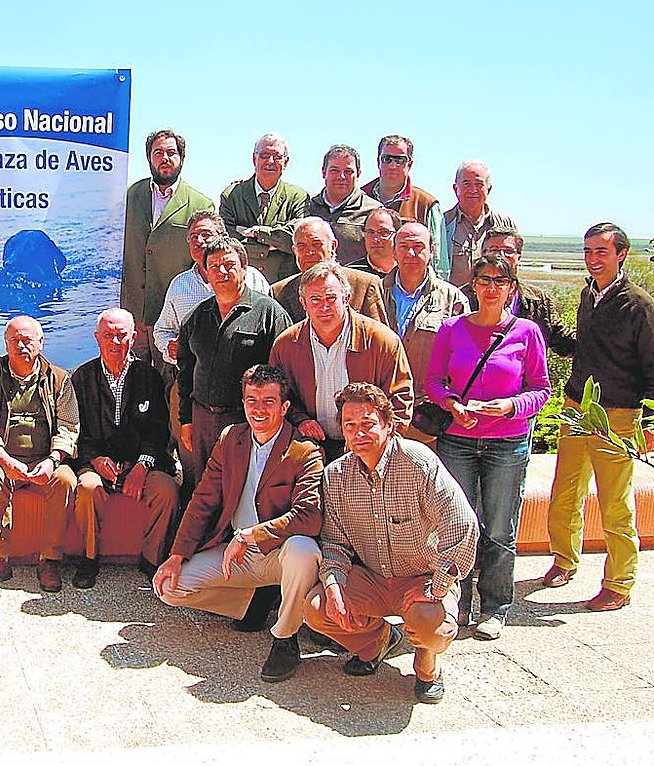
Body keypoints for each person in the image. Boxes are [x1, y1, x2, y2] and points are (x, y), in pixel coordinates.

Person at [304, 383, 478, 705]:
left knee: (431, 628)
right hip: (372, 577)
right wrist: (333, 587)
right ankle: (377, 643)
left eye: (368, 423)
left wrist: (435, 586)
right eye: (349, 425)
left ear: (389, 424)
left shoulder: (418, 462)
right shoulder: (336, 476)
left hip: (421, 576)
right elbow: (334, 543)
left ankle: (428, 668)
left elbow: (463, 525)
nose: (359, 433)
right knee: (317, 609)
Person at [154, 364, 323, 683]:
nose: (259, 409)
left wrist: (251, 535)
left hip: (279, 555)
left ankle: (286, 638)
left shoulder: (305, 451)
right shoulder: (231, 438)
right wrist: (176, 557)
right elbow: (203, 500)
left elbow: (309, 516)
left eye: (268, 401)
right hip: (238, 554)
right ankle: (252, 603)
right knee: (166, 587)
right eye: (252, 400)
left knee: (303, 551)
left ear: (285, 407)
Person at [425, 254, 550, 638]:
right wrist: (451, 404)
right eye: (484, 279)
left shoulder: (526, 332)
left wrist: (511, 406)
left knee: (499, 528)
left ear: (511, 287)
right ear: (473, 285)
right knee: (456, 525)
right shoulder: (451, 329)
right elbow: (433, 382)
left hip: (506, 442)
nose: (491, 287)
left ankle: (494, 606)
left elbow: (542, 389)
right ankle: (455, 603)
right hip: (458, 442)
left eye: (500, 280)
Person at [544, 223, 654, 611]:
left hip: (619, 414)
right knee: (565, 492)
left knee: (615, 503)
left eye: (601, 252)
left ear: (621, 254)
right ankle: (564, 559)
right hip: (577, 407)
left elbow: (652, 364)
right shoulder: (588, 296)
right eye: (588, 251)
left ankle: (620, 583)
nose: (592, 259)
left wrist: (649, 422)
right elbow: (587, 347)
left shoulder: (638, 304)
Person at [72, 309, 179, 588]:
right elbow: (74, 430)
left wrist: (141, 466)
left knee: (167, 491)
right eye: (108, 335)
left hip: (142, 463)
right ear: (97, 338)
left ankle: (151, 558)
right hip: (97, 463)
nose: (115, 342)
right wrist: (94, 459)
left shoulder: (149, 376)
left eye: (121, 336)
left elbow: (158, 429)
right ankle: (89, 558)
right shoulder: (81, 378)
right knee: (86, 489)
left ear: (133, 337)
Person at [177, 237, 293, 488]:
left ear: (244, 268)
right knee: (205, 491)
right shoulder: (197, 317)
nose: (221, 271)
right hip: (204, 421)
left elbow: (285, 374)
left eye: (229, 264)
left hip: (248, 422)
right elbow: (185, 372)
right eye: (214, 266)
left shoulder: (269, 314)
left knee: (244, 489)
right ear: (206, 274)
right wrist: (186, 420)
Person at [269, 263, 413, 461]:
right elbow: (278, 396)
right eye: (315, 300)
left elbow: (400, 399)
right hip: (309, 447)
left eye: (331, 298)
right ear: (303, 303)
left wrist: (381, 447)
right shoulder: (286, 345)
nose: (324, 307)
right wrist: (300, 420)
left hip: (368, 449)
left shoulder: (381, 341)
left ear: (347, 298)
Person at [0, 317, 78, 592]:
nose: (21, 346)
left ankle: (50, 559)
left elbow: (69, 426)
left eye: (28, 340)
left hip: (46, 459)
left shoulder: (59, 378)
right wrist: (5, 460)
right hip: (3, 458)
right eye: (15, 341)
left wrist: (53, 459)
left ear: (41, 343)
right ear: (6, 344)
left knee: (66, 480)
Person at [120, 129, 214, 372]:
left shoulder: (200, 204)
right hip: (133, 314)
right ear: (149, 158)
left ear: (181, 158)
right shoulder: (128, 196)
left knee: (169, 389)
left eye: (171, 153)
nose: (164, 158)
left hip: (173, 317)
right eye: (158, 152)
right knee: (134, 387)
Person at [382, 221, 471, 442]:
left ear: (431, 251)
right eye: (403, 246)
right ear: (393, 251)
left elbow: (464, 362)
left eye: (418, 246)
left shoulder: (453, 300)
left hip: (428, 419)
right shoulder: (373, 293)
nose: (411, 253)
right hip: (380, 412)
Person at [152, 210, 271, 367]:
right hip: (193, 378)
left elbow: (271, 327)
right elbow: (162, 330)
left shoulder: (252, 278)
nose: (199, 241)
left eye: (206, 235)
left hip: (247, 377)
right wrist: (170, 347)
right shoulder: (180, 285)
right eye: (193, 237)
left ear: (223, 237)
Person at [218, 132, 309, 283]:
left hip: (284, 286)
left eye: (277, 156)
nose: (270, 161)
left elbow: (297, 239)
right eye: (264, 155)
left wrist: (257, 233)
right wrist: (273, 243)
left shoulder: (298, 197)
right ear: (254, 159)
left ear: (286, 162)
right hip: (242, 285)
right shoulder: (232, 195)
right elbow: (227, 243)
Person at [271, 217, 388, 325]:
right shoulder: (279, 292)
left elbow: (381, 340)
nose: (309, 252)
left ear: (333, 246)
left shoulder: (364, 285)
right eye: (301, 246)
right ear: (294, 250)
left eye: (316, 244)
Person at [478, 228, 576, 356]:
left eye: (508, 251)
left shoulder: (539, 301)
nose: (501, 255)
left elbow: (563, 342)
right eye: (494, 250)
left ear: (519, 257)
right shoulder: (465, 297)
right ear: (482, 254)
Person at [361, 135, 443, 266]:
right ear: (378, 162)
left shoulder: (426, 204)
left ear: (409, 164)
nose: (393, 165)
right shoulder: (360, 198)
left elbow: (438, 261)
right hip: (364, 281)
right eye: (387, 159)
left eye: (400, 160)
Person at [437, 160, 517, 286]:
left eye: (479, 184)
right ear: (455, 188)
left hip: (492, 300)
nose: (473, 190)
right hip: (454, 303)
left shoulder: (505, 224)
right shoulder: (442, 224)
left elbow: (513, 267)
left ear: (488, 189)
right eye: (466, 183)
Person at [303, 144, 383, 265]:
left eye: (348, 171)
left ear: (358, 174)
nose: (341, 177)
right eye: (334, 170)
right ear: (323, 172)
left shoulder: (374, 211)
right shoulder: (306, 208)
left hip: (355, 282)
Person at [347, 207, 401, 278]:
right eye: (370, 232)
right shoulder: (351, 273)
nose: (375, 239)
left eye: (383, 232)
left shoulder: (407, 269)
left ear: (397, 235)